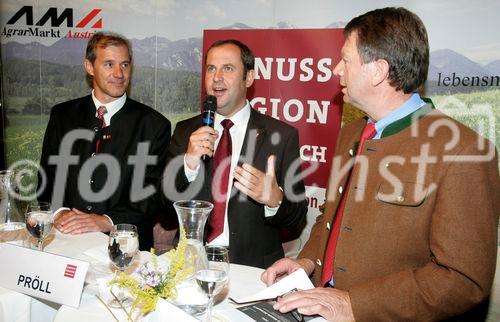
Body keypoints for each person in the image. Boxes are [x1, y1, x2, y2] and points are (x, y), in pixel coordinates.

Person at [262, 7, 500, 321]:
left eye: (345, 60)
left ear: (378, 71)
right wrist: (306, 263)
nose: (336, 70)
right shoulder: (351, 134)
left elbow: (462, 279)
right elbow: (331, 219)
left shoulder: (464, 151)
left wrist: (352, 304)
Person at [164, 39, 307, 268]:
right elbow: (163, 206)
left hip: (252, 268)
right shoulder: (185, 131)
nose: (216, 77)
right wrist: (188, 165)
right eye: (211, 68)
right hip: (190, 263)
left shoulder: (281, 136)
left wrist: (274, 199)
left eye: (227, 68)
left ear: (248, 78)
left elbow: (297, 217)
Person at [38, 32, 171, 251]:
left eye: (125, 64)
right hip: (64, 240)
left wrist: (106, 220)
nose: (119, 73)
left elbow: (152, 193)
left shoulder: (154, 125)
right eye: (109, 64)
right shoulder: (62, 115)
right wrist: (60, 212)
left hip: (127, 248)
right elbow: (47, 176)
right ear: (89, 67)